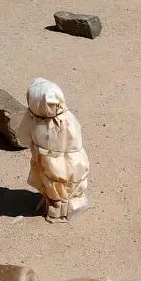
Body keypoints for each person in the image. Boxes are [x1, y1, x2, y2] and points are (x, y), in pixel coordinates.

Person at [25, 78, 91, 221]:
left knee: (62, 174)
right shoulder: (59, 121)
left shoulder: (49, 122)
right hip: (54, 162)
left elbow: (72, 145)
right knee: (54, 174)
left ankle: (63, 205)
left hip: (65, 162)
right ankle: (58, 204)